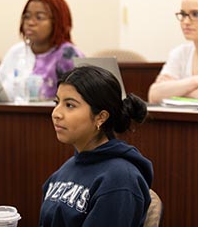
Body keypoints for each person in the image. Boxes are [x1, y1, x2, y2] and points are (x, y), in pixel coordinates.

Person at [39, 65, 153, 227]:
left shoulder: (120, 180)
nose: (56, 113)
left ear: (101, 117)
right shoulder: (65, 170)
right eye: (57, 102)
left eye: (70, 105)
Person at [0, 0, 85, 100]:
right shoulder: (15, 52)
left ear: (57, 22)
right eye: (27, 17)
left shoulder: (68, 55)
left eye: (39, 17)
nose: (30, 22)